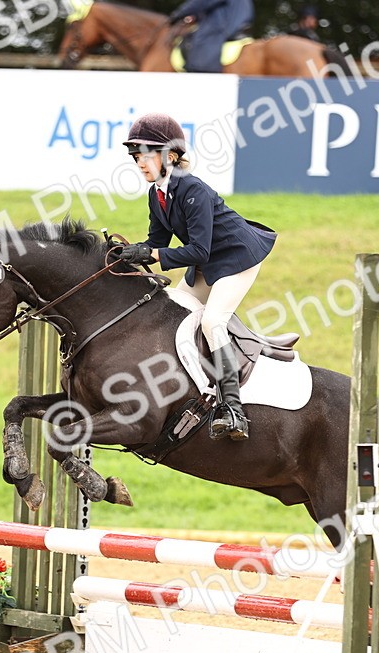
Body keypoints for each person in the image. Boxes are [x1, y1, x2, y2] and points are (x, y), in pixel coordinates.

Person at [118, 113, 277, 441]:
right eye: (136, 157)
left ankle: (233, 409)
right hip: (207, 263)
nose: (140, 163)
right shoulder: (156, 194)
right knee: (171, 311)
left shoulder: (193, 190)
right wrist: (127, 253)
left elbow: (198, 251)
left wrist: (152, 254)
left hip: (237, 258)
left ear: (170, 156)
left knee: (212, 321)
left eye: (146, 155)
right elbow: (157, 245)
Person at [167, 0, 252, 73]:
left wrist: (177, 14)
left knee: (199, 43)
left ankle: (199, 72)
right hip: (236, 21)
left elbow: (200, 3)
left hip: (224, 25)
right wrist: (195, 16)